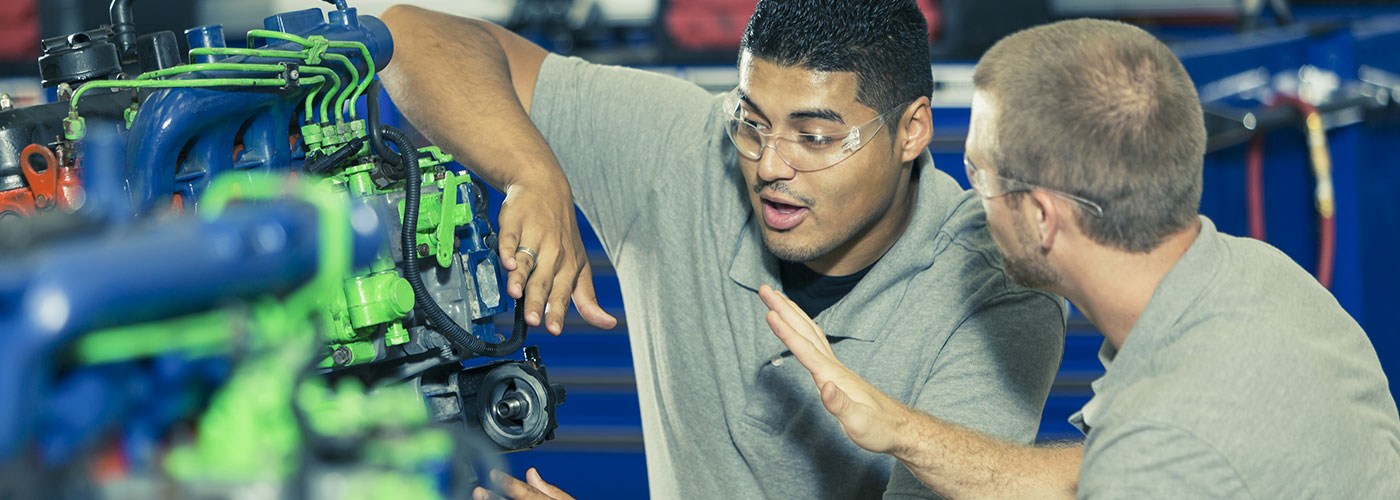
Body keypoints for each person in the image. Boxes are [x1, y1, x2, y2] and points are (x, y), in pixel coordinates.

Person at [380, 1, 1069, 498]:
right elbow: (411, 36)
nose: (770, 163)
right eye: (753, 120)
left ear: (913, 130)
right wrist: (528, 170)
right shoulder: (686, 147)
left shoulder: (998, 292)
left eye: (816, 137)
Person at [760, 18, 1400, 499]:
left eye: (979, 176)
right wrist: (898, 429)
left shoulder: (1161, 449)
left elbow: (1145, 461)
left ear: (1041, 216)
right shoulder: (1264, 279)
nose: (970, 201)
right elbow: (1085, 476)